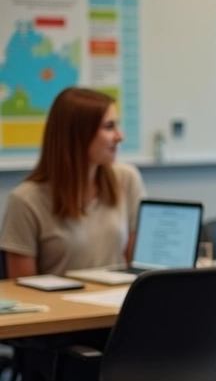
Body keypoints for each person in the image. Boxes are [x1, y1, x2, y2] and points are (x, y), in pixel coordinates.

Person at [1, 88, 145, 277]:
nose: (120, 137)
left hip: (119, 304)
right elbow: (23, 293)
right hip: (60, 306)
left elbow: (139, 265)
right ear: (79, 135)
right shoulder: (25, 200)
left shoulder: (127, 178)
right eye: (109, 127)